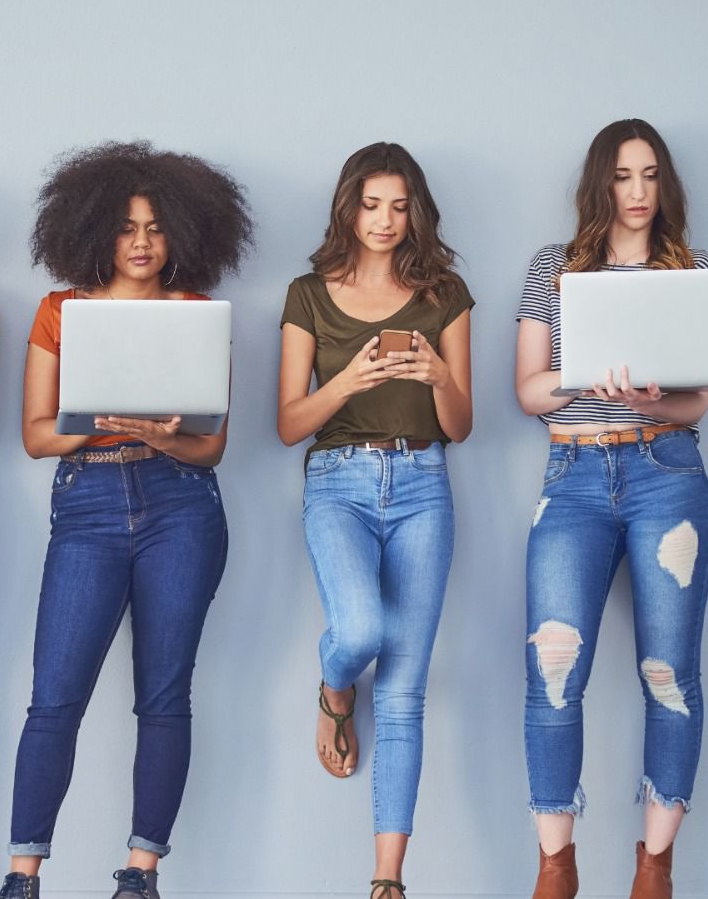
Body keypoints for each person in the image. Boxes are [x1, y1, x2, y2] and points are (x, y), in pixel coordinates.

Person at [0, 141, 252, 899]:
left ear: (181, 235)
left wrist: (162, 435)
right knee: (55, 696)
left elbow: (212, 448)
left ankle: (140, 875)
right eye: (126, 227)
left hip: (180, 502)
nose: (141, 242)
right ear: (96, 231)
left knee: (165, 695)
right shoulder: (61, 311)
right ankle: (22, 876)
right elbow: (37, 435)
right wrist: (99, 420)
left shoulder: (199, 316)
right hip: (88, 502)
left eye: (156, 227)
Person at [514, 119, 708, 899]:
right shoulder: (553, 268)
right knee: (553, 672)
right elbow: (529, 390)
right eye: (623, 177)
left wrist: (651, 399)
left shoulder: (694, 270)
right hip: (573, 476)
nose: (637, 193)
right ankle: (555, 869)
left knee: (668, 672)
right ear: (600, 183)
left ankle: (654, 868)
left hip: (666, 471)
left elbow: (701, 399)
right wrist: (585, 379)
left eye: (650, 176)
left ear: (665, 185)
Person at [276, 142, 474, 899]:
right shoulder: (308, 295)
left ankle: (387, 880)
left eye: (398, 206)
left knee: (405, 689)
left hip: (425, 482)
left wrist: (441, 376)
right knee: (360, 634)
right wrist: (350, 379)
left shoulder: (444, 294)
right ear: (348, 208)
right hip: (337, 482)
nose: (385, 220)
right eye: (371, 204)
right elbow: (290, 422)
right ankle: (333, 692)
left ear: (414, 211)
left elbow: (460, 426)